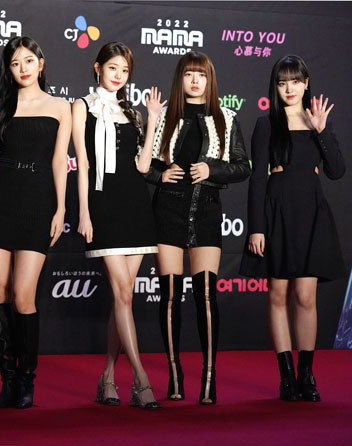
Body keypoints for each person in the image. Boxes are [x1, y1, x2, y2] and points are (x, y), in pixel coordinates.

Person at [0, 36, 71, 409]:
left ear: (40, 63)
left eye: (28, 61)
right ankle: (7, 379)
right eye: (15, 63)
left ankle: (27, 379)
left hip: (37, 201)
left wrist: (60, 209)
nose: (23, 68)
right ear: (8, 70)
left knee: (24, 295)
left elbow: (60, 161)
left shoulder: (60, 107)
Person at [145, 51, 250, 405]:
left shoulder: (226, 117)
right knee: (170, 296)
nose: (194, 80)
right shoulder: (164, 117)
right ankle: (174, 375)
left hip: (206, 210)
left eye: (201, 74)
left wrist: (211, 170)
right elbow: (143, 164)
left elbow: (243, 166)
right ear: (180, 78)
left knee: (206, 294)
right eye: (189, 74)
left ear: (210, 79)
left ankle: (209, 377)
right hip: (168, 210)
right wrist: (161, 175)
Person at [240, 55, 345, 402]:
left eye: (296, 81)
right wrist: (256, 228)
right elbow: (257, 179)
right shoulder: (266, 124)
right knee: (277, 294)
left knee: (305, 296)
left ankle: (306, 374)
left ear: (306, 83)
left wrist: (321, 131)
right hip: (277, 211)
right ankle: (286, 376)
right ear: (276, 86)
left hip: (311, 212)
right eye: (283, 82)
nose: (289, 88)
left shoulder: (317, 121)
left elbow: (337, 171)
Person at [72, 42, 164, 410]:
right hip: (103, 205)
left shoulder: (133, 113)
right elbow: (82, 163)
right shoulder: (81, 106)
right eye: (113, 68)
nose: (118, 75)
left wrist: (152, 120)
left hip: (135, 206)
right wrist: (84, 212)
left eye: (125, 71)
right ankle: (141, 379)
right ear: (97, 68)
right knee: (123, 292)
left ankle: (108, 377)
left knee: (122, 297)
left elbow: (143, 166)